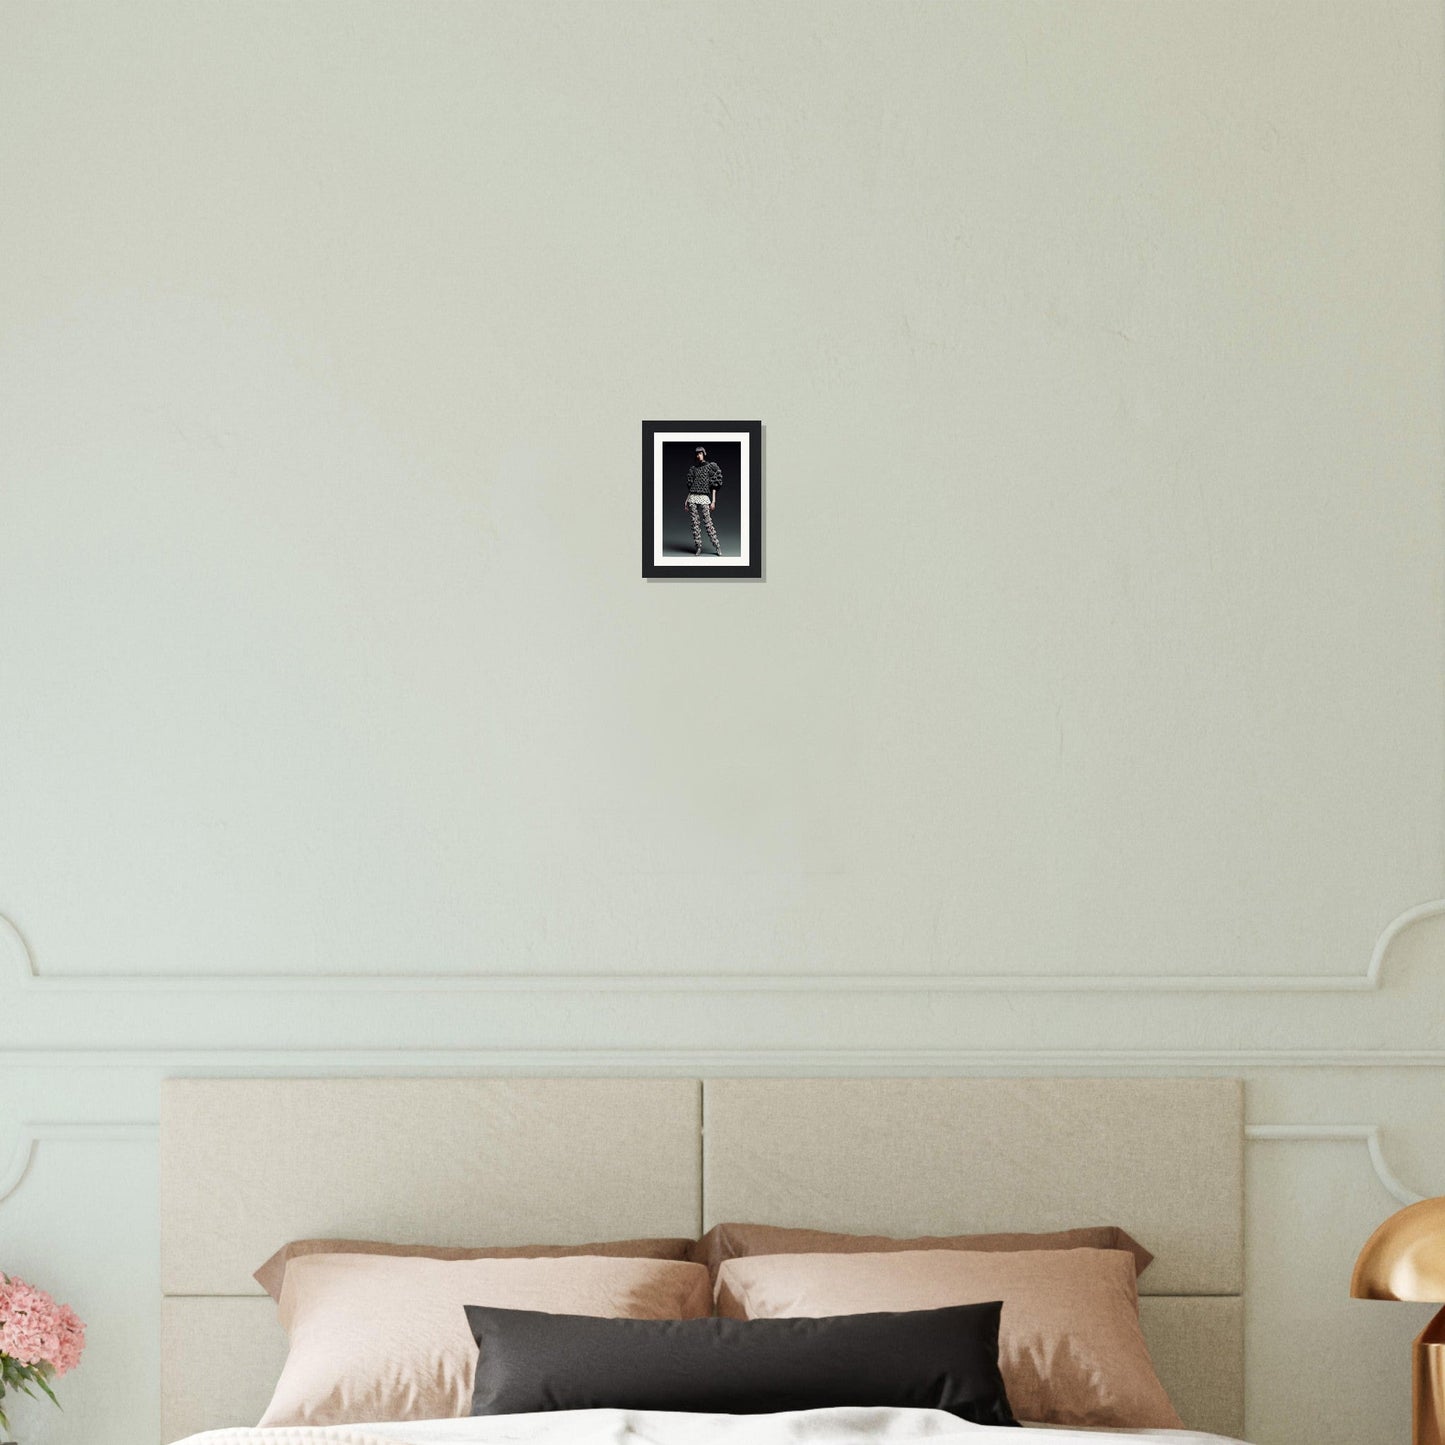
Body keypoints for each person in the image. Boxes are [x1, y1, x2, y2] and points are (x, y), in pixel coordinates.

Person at [684, 445, 724, 556]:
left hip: (704, 497)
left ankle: (717, 546)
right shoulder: (694, 469)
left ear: (704, 453)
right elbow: (692, 486)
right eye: (697, 454)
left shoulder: (710, 467)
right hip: (692, 497)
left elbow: (714, 485)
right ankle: (698, 547)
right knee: (695, 523)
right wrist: (686, 500)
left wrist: (713, 501)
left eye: (700, 453)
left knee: (708, 523)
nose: (698, 455)